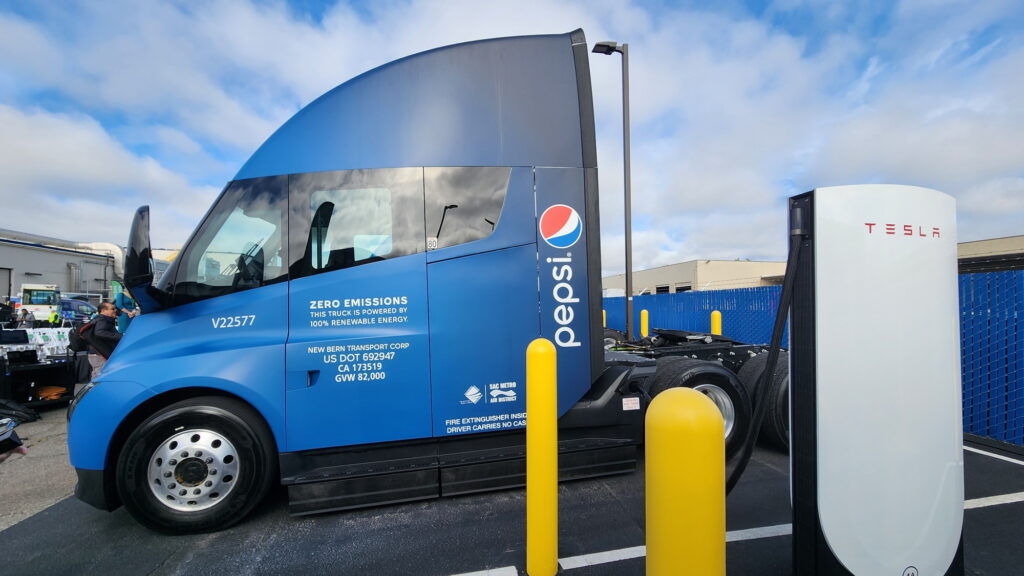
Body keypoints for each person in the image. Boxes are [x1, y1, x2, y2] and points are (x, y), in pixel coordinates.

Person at [86, 302, 122, 380]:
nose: (115, 310)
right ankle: (95, 392)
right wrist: (120, 336)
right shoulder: (102, 320)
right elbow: (99, 332)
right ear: (103, 311)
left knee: (97, 376)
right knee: (100, 378)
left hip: (97, 354)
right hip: (99, 355)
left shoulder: (99, 319)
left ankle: (94, 391)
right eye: (112, 309)